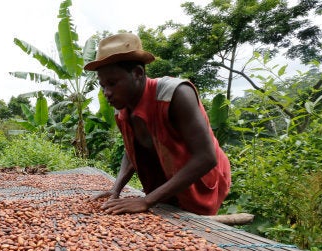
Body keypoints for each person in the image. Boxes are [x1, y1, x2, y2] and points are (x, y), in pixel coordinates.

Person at [84, 33, 231, 216]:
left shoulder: (176, 94)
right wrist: (116, 189)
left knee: (195, 227)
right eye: (103, 85)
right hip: (166, 178)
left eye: (112, 83)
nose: (107, 93)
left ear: (137, 73)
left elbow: (206, 157)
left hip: (201, 180)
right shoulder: (122, 109)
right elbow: (131, 152)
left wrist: (146, 201)